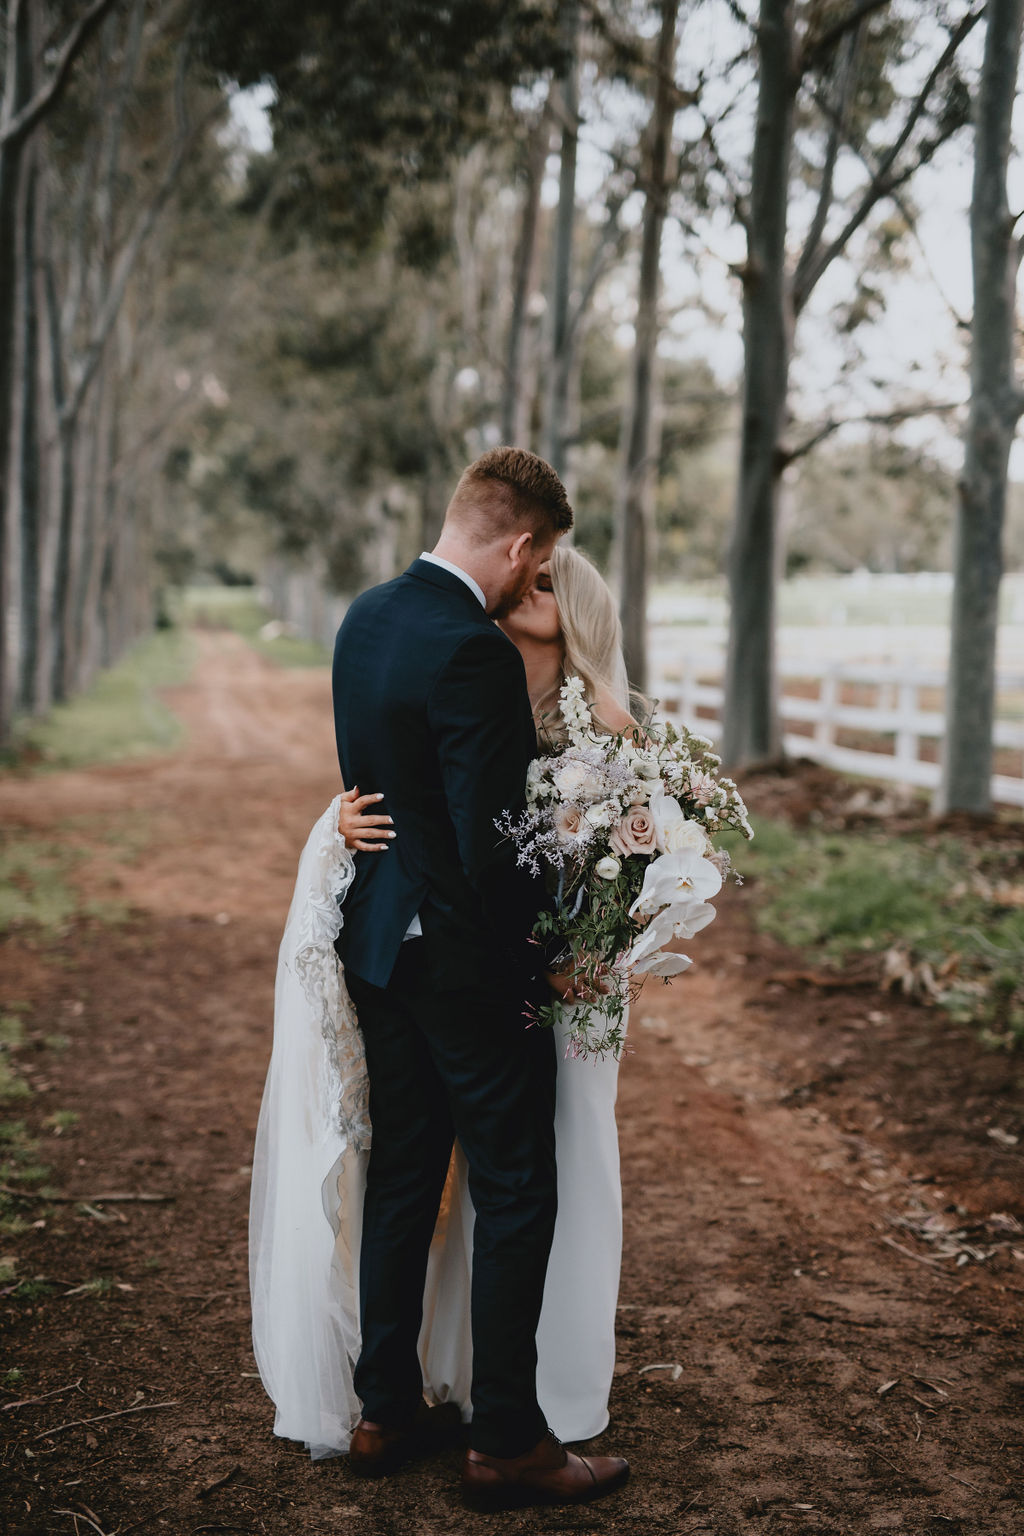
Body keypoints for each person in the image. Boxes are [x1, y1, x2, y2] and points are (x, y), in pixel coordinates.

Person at [249, 449, 631, 1511]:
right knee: (513, 1188)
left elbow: (384, 791)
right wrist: (533, 966)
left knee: (409, 1175)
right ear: (518, 544)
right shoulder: (471, 650)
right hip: (460, 965)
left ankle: (384, 1410)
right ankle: (507, 1438)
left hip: (376, 948)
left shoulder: (366, 617)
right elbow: (484, 848)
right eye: (539, 562)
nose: (532, 583)